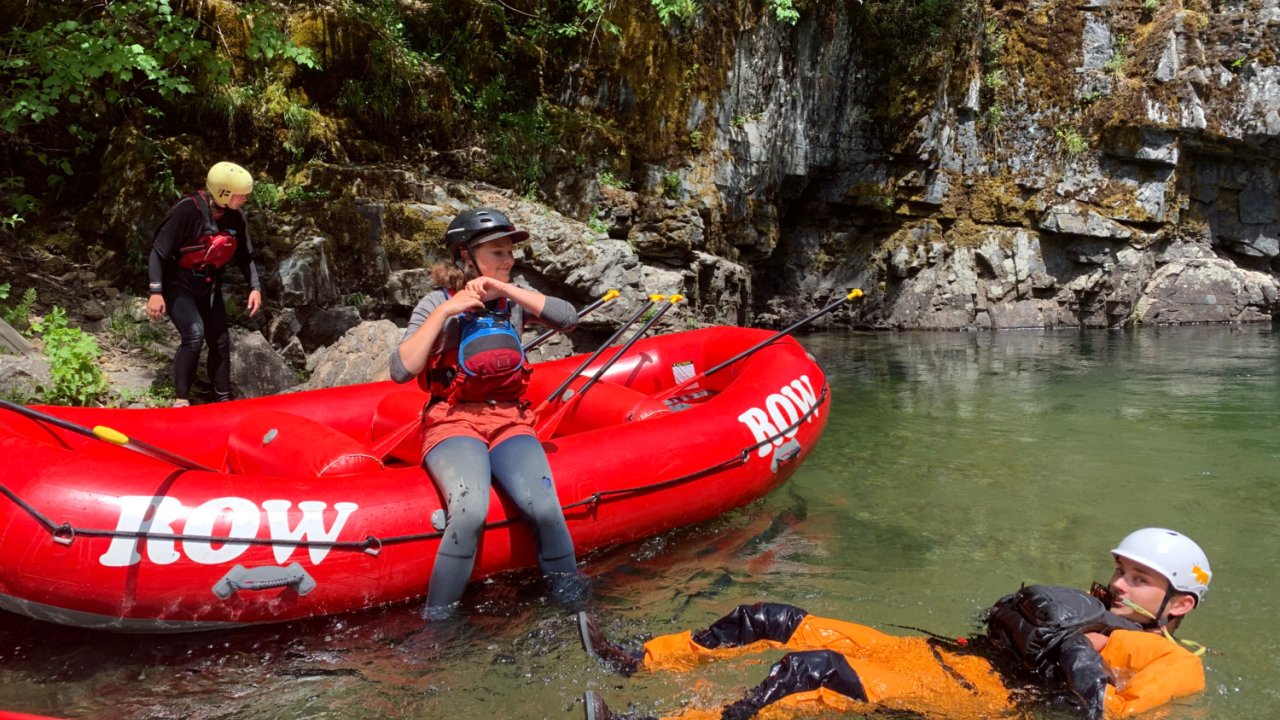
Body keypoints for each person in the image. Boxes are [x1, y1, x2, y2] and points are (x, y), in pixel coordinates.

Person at [579, 527, 1212, 720]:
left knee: (810, 672)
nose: (1121, 585)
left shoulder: (1175, 663)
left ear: (1178, 603)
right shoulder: (1086, 609)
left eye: (1141, 580)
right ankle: (639, 660)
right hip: (945, 657)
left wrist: (1086, 662)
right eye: (1121, 571)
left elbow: (1116, 712)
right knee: (767, 619)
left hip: (983, 699)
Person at [388, 207, 587, 619]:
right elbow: (400, 369)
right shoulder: (435, 302)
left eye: (510, 252)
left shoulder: (512, 299)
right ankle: (438, 626)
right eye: (497, 252)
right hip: (453, 420)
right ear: (466, 256)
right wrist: (449, 311)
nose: (508, 260)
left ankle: (576, 612)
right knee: (470, 511)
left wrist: (509, 290)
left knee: (545, 508)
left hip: (510, 420)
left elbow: (569, 319)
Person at [146, 161, 262, 405]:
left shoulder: (235, 218)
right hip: (178, 284)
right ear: (223, 192)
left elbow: (244, 257)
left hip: (208, 284)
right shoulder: (187, 211)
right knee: (195, 334)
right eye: (240, 196)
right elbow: (158, 252)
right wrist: (155, 291)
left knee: (220, 338)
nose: (244, 200)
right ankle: (181, 400)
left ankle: (222, 399)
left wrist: (255, 287)